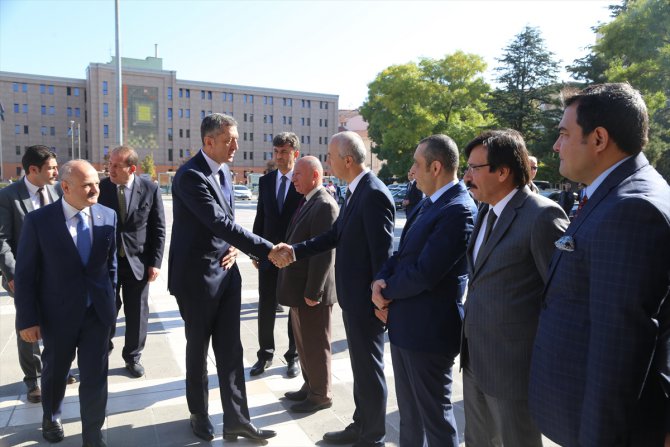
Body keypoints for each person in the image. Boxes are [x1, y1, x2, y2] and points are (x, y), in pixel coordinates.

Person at [528, 83, 670, 446]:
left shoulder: (631, 209)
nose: (556, 146)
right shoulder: (614, 193)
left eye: (564, 134)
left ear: (599, 139)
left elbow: (617, 352)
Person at [271, 130, 395, 446]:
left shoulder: (373, 193)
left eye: (330, 156)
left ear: (348, 160)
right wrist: (295, 250)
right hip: (354, 300)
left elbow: (382, 256)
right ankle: (360, 424)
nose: (328, 162)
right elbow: (333, 236)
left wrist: (382, 300)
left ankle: (372, 436)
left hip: (367, 303)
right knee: (361, 369)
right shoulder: (355, 191)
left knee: (370, 369)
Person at [168, 113, 278, 442]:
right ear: (209, 141)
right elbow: (217, 222)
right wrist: (268, 249)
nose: (235, 146)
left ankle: (237, 421)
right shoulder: (190, 176)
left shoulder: (225, 172)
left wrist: (232, 247)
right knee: (198, 350)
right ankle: (199, 414)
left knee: (231, 350)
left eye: (236, 139)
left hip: (227, 273)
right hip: (196, 279)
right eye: (229, 140)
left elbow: (224, 225)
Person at [461, 130, 569, 447]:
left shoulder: (542, 215)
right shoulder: (485, 210)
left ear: (503, 172)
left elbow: (563, 297)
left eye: (474, 168)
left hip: (513, 370)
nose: (466, 177)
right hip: (474, 358)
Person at [372, 134, 477, 446]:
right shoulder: (427, 203)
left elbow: (425, 273)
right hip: (405, 326)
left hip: (429, 332)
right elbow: (402, 256)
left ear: (436, 167)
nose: (412, 171)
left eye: (417, 164)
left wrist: (386, 292)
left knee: (435, 418)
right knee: (409, 415)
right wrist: (379, 281)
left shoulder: (459, 209)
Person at [14, 160, 117, 446]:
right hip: (57, 315)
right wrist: (27, 319)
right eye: (87, 185)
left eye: (96, 183)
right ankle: (51, 416)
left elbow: (110, 266)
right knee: (56, 371)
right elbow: (25, 274)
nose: (95, 189)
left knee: (95, 377)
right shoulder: (39, 221)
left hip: (97, 314)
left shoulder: (108, 215)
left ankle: (93, 435)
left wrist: (111, 305)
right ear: (66, 187)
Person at [277, 156, 339, 413]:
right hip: (300, 290)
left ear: (315, 175)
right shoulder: (309, 200)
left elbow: (324, 253)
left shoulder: (324, 204)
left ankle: (321, 394)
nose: (293, 179)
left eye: (298, 174)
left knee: (316, 344)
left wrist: (314, 291)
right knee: (304, 343)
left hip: (312, 292)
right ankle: (310, 385)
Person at [98, 146, 166, 378]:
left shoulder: (150, 189)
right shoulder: (101, 188)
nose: (111, 169)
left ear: (132, 168)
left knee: (137, 312)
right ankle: (103, 349)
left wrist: (155, 262)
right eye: (110, 164)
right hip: (106, 262)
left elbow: (158, 228)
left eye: (117, 165)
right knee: (106, 309)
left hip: (138, 262)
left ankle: (133, 356)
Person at [0, 145, 60, 404]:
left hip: (57, 276)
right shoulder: (8, 196)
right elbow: (2, 240)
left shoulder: (58, 191)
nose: (56, 172)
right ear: (33, 170)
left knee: (60, 323)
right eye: (52, 168)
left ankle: (59, 366)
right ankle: (33, 379)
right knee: (28, 326)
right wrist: (14, 275)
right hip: (25, 276)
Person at [250, 132, 301, 378]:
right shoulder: (266, 181)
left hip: (294, 256)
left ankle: (293, 356)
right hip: (268, 256)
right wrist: (255, 250)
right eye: (277, 152)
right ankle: (265, 355)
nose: (279, 157)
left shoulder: (302, 181)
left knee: (294, 307)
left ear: (295, 154)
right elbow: (261, 216)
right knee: (266, 305)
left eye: (285, 152)